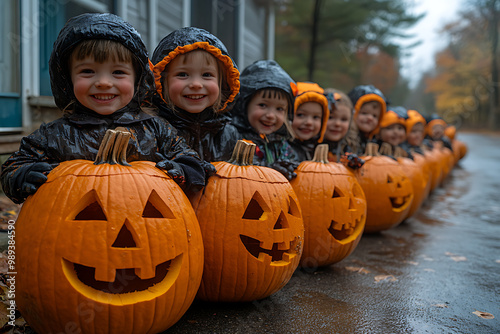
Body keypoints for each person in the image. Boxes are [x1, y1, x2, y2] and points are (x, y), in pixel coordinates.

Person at [1, 13, 206, 204]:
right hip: (73, 229)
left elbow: (192, 162)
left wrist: (180, 171)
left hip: (144, 218)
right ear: (67, 78)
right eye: (88, 71)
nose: (103, 82)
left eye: (118, 72)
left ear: (138, 80)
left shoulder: (156, 130)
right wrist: (23, 176)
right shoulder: (54, 135)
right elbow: (13, 167)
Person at [151, 27, 241, 162]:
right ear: (162, 82)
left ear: (222, 84)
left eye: (207, 75)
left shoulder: (229, 135)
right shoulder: (154, 130)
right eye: (182, 74)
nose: (196, 84)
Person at [231, 60, 298, 180]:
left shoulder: (282, 145)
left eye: (279, 109)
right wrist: (270, 169)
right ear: (244, 105)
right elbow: (232, 172)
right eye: (262, 105)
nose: (271, 115)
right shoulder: (234, 137)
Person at [289, 82, 330, 161]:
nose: (309, 122)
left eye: (316, 117)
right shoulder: (280, 150)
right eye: (300, 115)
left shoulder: (318, 149)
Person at [345, 84, 387, 155]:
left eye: (375, 116)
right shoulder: (346, 139)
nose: (370, 118)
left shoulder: (375, 142)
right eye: (364, 113)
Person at [323, 88, 353, 162]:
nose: (337, 124)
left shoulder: (351, 149)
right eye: (330, 117)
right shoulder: (308, 149)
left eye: (343, 119)